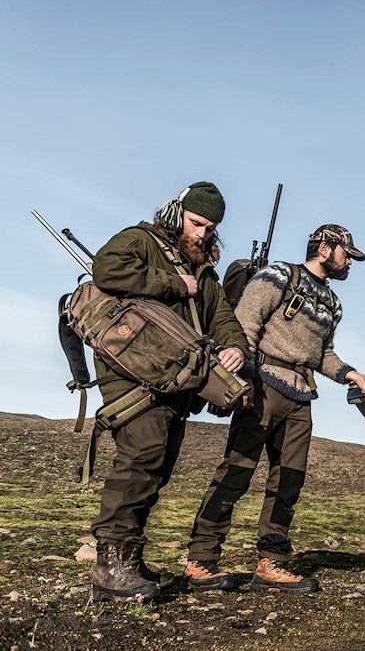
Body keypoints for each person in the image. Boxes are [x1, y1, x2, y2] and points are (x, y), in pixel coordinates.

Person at [185, 223, 365, 593]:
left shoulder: (333, 303)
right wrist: (243, 380)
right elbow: (245, 325)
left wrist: (352, 375)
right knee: (236, 472)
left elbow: (322, 354)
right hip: (262, 386)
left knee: (289, 480)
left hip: (302, 397)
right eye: (347, 255)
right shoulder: (278, 275)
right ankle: (201, 559)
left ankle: (271, 563)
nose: (349, 263)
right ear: (324, 248)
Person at [89, 182, 248, 601]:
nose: (202, 233)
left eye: (210, 228)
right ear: (178, 214)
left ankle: (130, 560)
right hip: (132, 373)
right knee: (141, 459)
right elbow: (106, 271)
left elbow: (222, 316)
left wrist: (234, 346)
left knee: (157, 467)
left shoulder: (204, 270)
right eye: (196, 223)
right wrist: (175, 284)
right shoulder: (140, 240)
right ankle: (109, 567)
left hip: (175, 381)